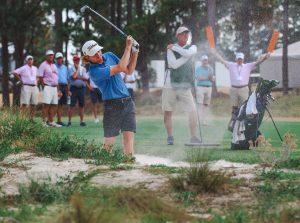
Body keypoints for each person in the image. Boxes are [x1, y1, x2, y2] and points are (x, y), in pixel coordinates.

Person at [81, 36, 138, 156]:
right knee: (109, 143)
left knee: (129, 139)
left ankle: (129, 163)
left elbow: (129, 70)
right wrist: (128, 47)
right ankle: (104, 167)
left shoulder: (110, 55)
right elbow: (120, 67)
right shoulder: (94, 72)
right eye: (93, 53)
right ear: (87, 57)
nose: (98, 54)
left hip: (128, 102)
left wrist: (135, 51)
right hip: (112, 106)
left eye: (98, 50)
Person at [211, 49, 270, 130]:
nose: (239, 60)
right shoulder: (231, 65)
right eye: (238, 59)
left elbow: (258, 62)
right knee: (234, 106)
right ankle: (233, 122)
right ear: (236, 59)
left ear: (243, 59)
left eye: (241, 59)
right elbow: (222, 61)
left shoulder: (247, 66)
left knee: (244, 106)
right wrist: (215, 53)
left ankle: (243, 123)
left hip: (244, 88)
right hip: (234, 89)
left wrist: (265, 57)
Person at [162, 26, 201, 145]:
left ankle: (193, 137)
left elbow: (189, 52)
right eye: (183, 34)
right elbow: (173, 65)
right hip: (169, 84)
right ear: (177, 36)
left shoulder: (192, 47)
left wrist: (176, 48)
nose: (185, 35)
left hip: (185, 85)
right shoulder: (170, 49)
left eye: (187, 34)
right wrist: (186, 56)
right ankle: (170, 137)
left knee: (193, 110)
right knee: (168, 111)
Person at [38, 50, 62, 127]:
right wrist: (44, 85)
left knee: (54, 105)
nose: (51, 56)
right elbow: (40, 76)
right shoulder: (43, 65)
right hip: (47, 86)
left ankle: (51, 121)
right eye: (49, 55)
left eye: (52, 55)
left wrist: (58, 89)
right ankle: (43, 122)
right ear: (46, 56)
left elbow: (56, 78)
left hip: (55, 88)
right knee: (46, 105)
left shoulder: (54, 65)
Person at [13, 55, 39, 119]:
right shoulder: (23, 68)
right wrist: (20, 79)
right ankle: (22, 119)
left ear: (33, 61)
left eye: (31, 59)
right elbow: (15, 72)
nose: (30, 61)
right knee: (24, 103)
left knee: (34, 104)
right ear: (26, 61)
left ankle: (31, 118)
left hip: (34, 87)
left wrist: (37, 81)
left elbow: (38, 76)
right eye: (29, 60)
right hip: (26, 86)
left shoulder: (35, 68)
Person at [67, 55, 89, 127]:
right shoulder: (71, 68)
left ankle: (82, 121)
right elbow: (73, 77)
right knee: (72, 105)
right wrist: (78, 70)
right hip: (74, 88)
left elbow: (86, 78)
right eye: (76, 60)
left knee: (81, 105)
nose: (77, 61)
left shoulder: (83, 68)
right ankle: (69, 121)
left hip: (82, 88)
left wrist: (78, 77)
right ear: (73, 61)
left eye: (78, 60)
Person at [195, 55, 215, 126]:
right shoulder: (198, 69)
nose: (205, 61)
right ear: (201, 61)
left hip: (209, 87)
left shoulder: (210, 68)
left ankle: (204, 120)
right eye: (204, 60)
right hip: (200, 87)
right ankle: (198, 120)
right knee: (200, 104)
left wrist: (210, 77)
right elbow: (199, 78)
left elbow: (212, 78)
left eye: (206, 60)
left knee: (206, 104)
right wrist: (208, 78)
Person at [55, 52, 70, 126]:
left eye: (60, 58)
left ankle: (59, 120)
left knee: (61, 104)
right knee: (56, 104)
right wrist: (58, 89)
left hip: (64, 86)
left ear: (62, 59)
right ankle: (51, 120)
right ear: (56, 59)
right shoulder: (54, 66)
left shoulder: (65, 67)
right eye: (58, 58)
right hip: (57, 86)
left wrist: (68, 90)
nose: (59, 59)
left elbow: (67, 79)